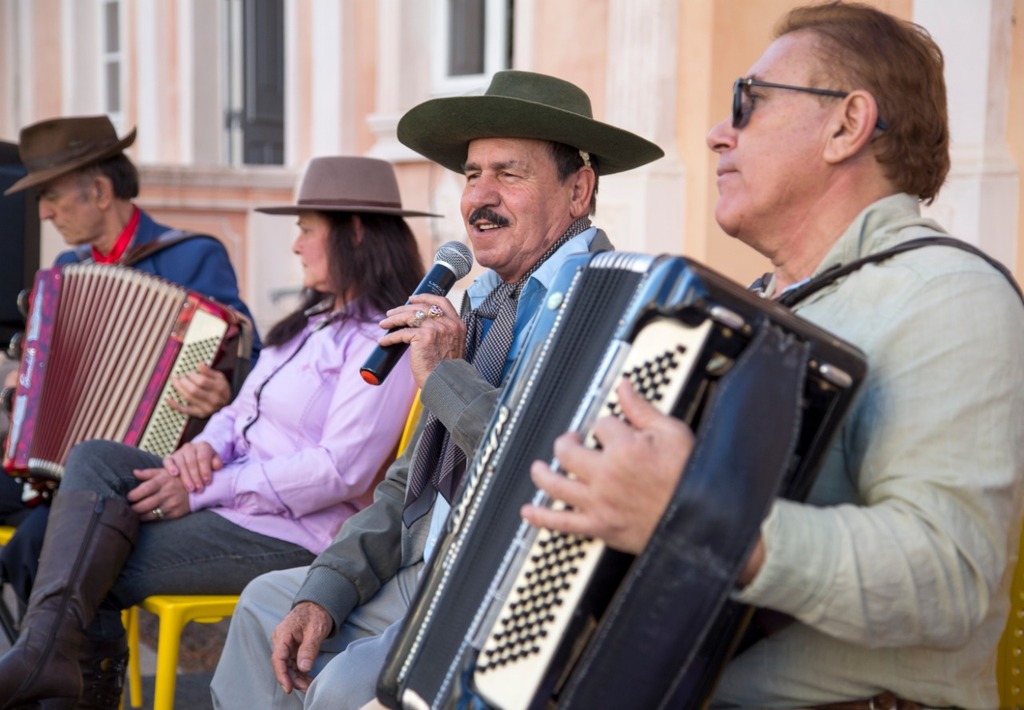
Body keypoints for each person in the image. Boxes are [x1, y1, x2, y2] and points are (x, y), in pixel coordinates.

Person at [523, 3, 1024, 708]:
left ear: (846, 124)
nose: (715, 133)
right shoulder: (746, 314)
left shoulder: (948, 296)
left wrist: (699, 520)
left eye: (747, 103)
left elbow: (950, 578)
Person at [209, 70, 664, 710]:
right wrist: (328, 588)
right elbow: (409, 481)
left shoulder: (602, 301)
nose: (480, 195)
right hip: (426, 562)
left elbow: (543, 469)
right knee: (268, 608)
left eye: (509, 173)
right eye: (472, 173)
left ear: (578, 190)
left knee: (342, 687)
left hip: (501, 584)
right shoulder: (480, 298)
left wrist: (446, 376)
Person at [0, 155, 426, 709]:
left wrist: (208, 485)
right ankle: (44, 660)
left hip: (295, 535)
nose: (295, 246)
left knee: (89, 555)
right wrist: (201, 450)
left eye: (305, 231)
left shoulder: (381, 338)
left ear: (356, 232)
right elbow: (237, 411)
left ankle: (50, 673)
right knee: (94, 459)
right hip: (233, 506)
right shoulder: (309, 323)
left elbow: (339, 470)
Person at [0, 115, 262, 600]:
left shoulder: (193, 257)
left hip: (152, 465)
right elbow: (55, 371)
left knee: (35, 545)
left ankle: (57, 667)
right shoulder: (66, 271)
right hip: (57, 467)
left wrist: (223, 389)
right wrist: (26, 385)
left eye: (52, 197)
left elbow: (252, 361)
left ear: (99, 191)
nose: (45, 214)